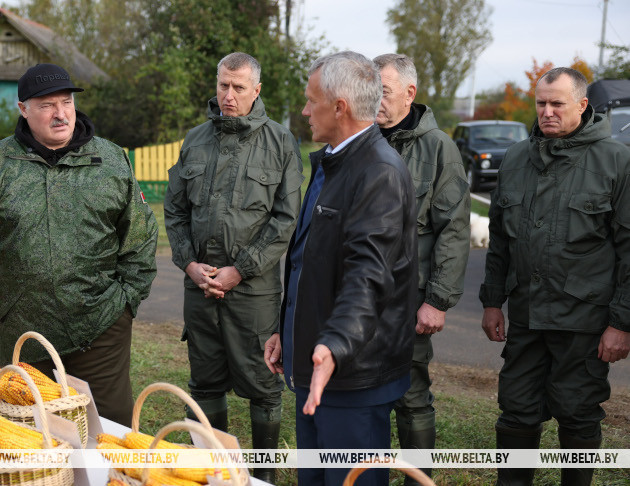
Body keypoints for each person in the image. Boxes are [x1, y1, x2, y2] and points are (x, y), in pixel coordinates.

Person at [0, 63, 158, 427]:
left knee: (106, 429)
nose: (61, 114)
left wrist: (124, 302)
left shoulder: (109, 161)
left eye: (66, 102)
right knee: (28, 429)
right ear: (23, 109)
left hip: (100, 327)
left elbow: (139, 234)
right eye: (46, 105)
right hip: (24, 333)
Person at [264, 51, 418, 486]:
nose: (303, 110)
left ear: (339, 107)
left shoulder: (379, 172)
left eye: (311, 100)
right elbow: (308, 262)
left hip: (352, 378)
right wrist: (289, 329)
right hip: (318, 367)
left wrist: (333, 344)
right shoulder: (332, 161)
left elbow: (368, 277)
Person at [480, 67, 630, 485]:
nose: (546, 112)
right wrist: (493, 301)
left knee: (578, 413)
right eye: (541, 103)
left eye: (557, 104)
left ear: (582, 105)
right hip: (526, 317)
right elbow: (499, 241)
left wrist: (622, 323)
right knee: (516, 411)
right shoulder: (515, 158)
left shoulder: (617, 161)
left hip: (583, 321)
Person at [164, 51, 304, 482]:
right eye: (223, 85)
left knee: (264, 388)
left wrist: (239, 269)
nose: (228, 95)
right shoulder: (195, 139)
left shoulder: (281, 142)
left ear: (256, 91)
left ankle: (262, 479)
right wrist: (189, 263)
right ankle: (215, 473)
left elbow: (287, 220)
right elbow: (174, 211)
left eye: (238, 87)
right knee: (204, 384)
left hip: (254, 292)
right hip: (200, 288)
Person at [373, 53, 471, 484]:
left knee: (410, 395)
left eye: (384, 91)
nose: (373, 100)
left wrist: (437, 300)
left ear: (409, 94)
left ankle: (418, 480)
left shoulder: (438, 149)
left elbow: (453, 229)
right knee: (363, 397)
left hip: (408, 299)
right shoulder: (361, 140)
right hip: (358, 298)